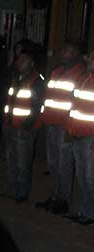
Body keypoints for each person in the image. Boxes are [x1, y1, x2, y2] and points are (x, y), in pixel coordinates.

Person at [37, 41, 85, 214]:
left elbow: (77, 102)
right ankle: (54, 196)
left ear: (76, 53)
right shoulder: (57, 71)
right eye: (63, 49)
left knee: (64, 164)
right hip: (51, 122)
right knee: (53, 163)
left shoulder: (79, 73)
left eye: (68, 50)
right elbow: (48, 97)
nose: (63, 52)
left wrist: (70, 127)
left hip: (64, 125)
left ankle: (62, 200)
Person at [2, 49, 44, 202]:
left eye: (24, 60)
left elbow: (38, 106)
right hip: (11, 124)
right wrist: (6, 120)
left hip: (24, 128)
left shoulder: (36, 80)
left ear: (31, 63)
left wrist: (27, 125)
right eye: (19, 60)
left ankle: (22, 192)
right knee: (10, 159)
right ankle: (12, 188)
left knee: (23, 162)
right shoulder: (16, 78)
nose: (19, 62)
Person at [65, 51, 94, 225]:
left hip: (90, 138)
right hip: (78, 134)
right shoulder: (84, 79)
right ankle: (84, 211)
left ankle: (90, 214)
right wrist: (70, 129)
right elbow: (73, 108)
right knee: (82, 177)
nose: (88, 60)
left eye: (91, 58)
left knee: (90, 178)